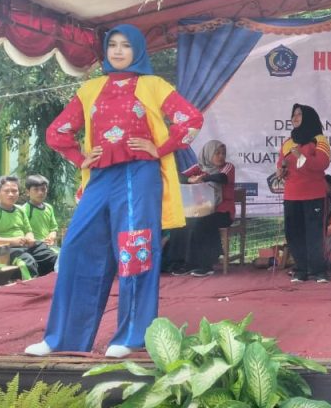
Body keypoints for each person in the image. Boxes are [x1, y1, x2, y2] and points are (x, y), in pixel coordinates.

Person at [25, 23, 203, 358]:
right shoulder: (90, 88)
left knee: (134, 248)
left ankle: (131, 336)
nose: (118, 51)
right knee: (76, 246)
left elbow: (190, 119)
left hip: (139, 173)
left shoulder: (153, 85)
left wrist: (160, 148)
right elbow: (57, 132)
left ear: (138, 50)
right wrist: (80, 157)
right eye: (113, 45)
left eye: (126, 45)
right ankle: (62, 338)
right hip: (100, 177)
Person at [278, 104, 331, 284]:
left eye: (299, 114)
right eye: (293, 114)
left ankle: (319, 270)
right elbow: (281, 163)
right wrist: (281, 170)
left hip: (313, 193)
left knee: (315, 234)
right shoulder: (288, 142)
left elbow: (322, 164)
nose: (295, 118)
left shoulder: (319, 140)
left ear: (308, 117)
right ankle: (300, 269)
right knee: (294, 234)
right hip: (291, 194)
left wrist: (301, 156)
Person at [167, 140, 236, 277]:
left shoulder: (228, 167)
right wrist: (190, 180)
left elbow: (222, 178)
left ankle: (205, 265)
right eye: (217, 153)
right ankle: (183, 263)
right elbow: (178, 177)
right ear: (208, 153)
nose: (221, 156)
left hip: (223, 213)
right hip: (201, 211)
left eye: (223, 153)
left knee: (202, 223)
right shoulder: (198, 167)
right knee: (182, 223)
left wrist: (203, 179)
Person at [0, 175, 57, 277]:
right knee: (27, 262)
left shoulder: (20, 210)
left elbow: (28, 231)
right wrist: (12, 241)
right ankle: (29, 285)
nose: (11, 194)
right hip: (5, 250)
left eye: (14, 191)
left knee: (52, 258)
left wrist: (30, 238)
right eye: (7, 191)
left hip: (24, 246)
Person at [23, 175, 58, 246]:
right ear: (27, 192)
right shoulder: (24, 209)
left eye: (43, 189)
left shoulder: (49, 208)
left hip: (48, 245)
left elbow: (53, 228)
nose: (40, 192)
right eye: (36, 189)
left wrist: (51, 236)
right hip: (32, 246)